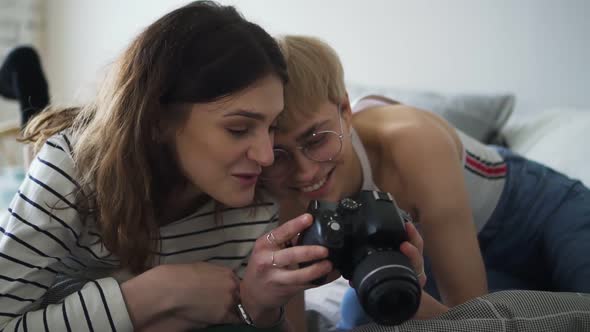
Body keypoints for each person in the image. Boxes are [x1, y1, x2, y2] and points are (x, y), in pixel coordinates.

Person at [0, 3, 346, 331]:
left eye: (271, 127)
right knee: (37, 121)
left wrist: (257, 307)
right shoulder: (69, 168)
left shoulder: (256, 203)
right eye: (238, 129)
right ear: (157, 118)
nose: (266, 156)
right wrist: (154, 294)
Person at [260, 35, 590, 328]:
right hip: (438, 251)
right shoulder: (281, 187)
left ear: (345, 110)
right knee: (366, 316)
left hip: (537, 210)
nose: (304, 172)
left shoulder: (410, 142)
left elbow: (470, 319)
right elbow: (292, 318)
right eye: (279, 153)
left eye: (316, 139)